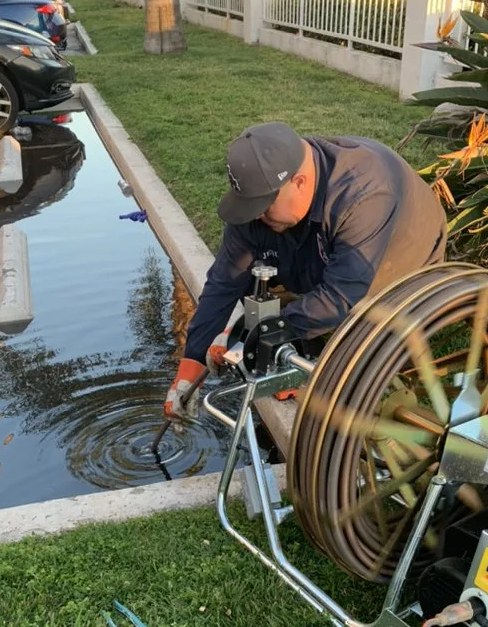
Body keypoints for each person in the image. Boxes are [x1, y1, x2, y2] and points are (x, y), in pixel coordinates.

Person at [164, 121, 447, 422]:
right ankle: (297, 345)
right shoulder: (266, 195)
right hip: (319, 250)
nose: (256, 216)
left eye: (263, 206)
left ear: (299, 182)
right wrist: (191, 367)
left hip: (397, 261)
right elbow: (224, 281)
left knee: (354, 332)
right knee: (254, 275)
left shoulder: (364, 195)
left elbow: (341, 296)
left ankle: (306, 361)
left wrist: (255, 338)